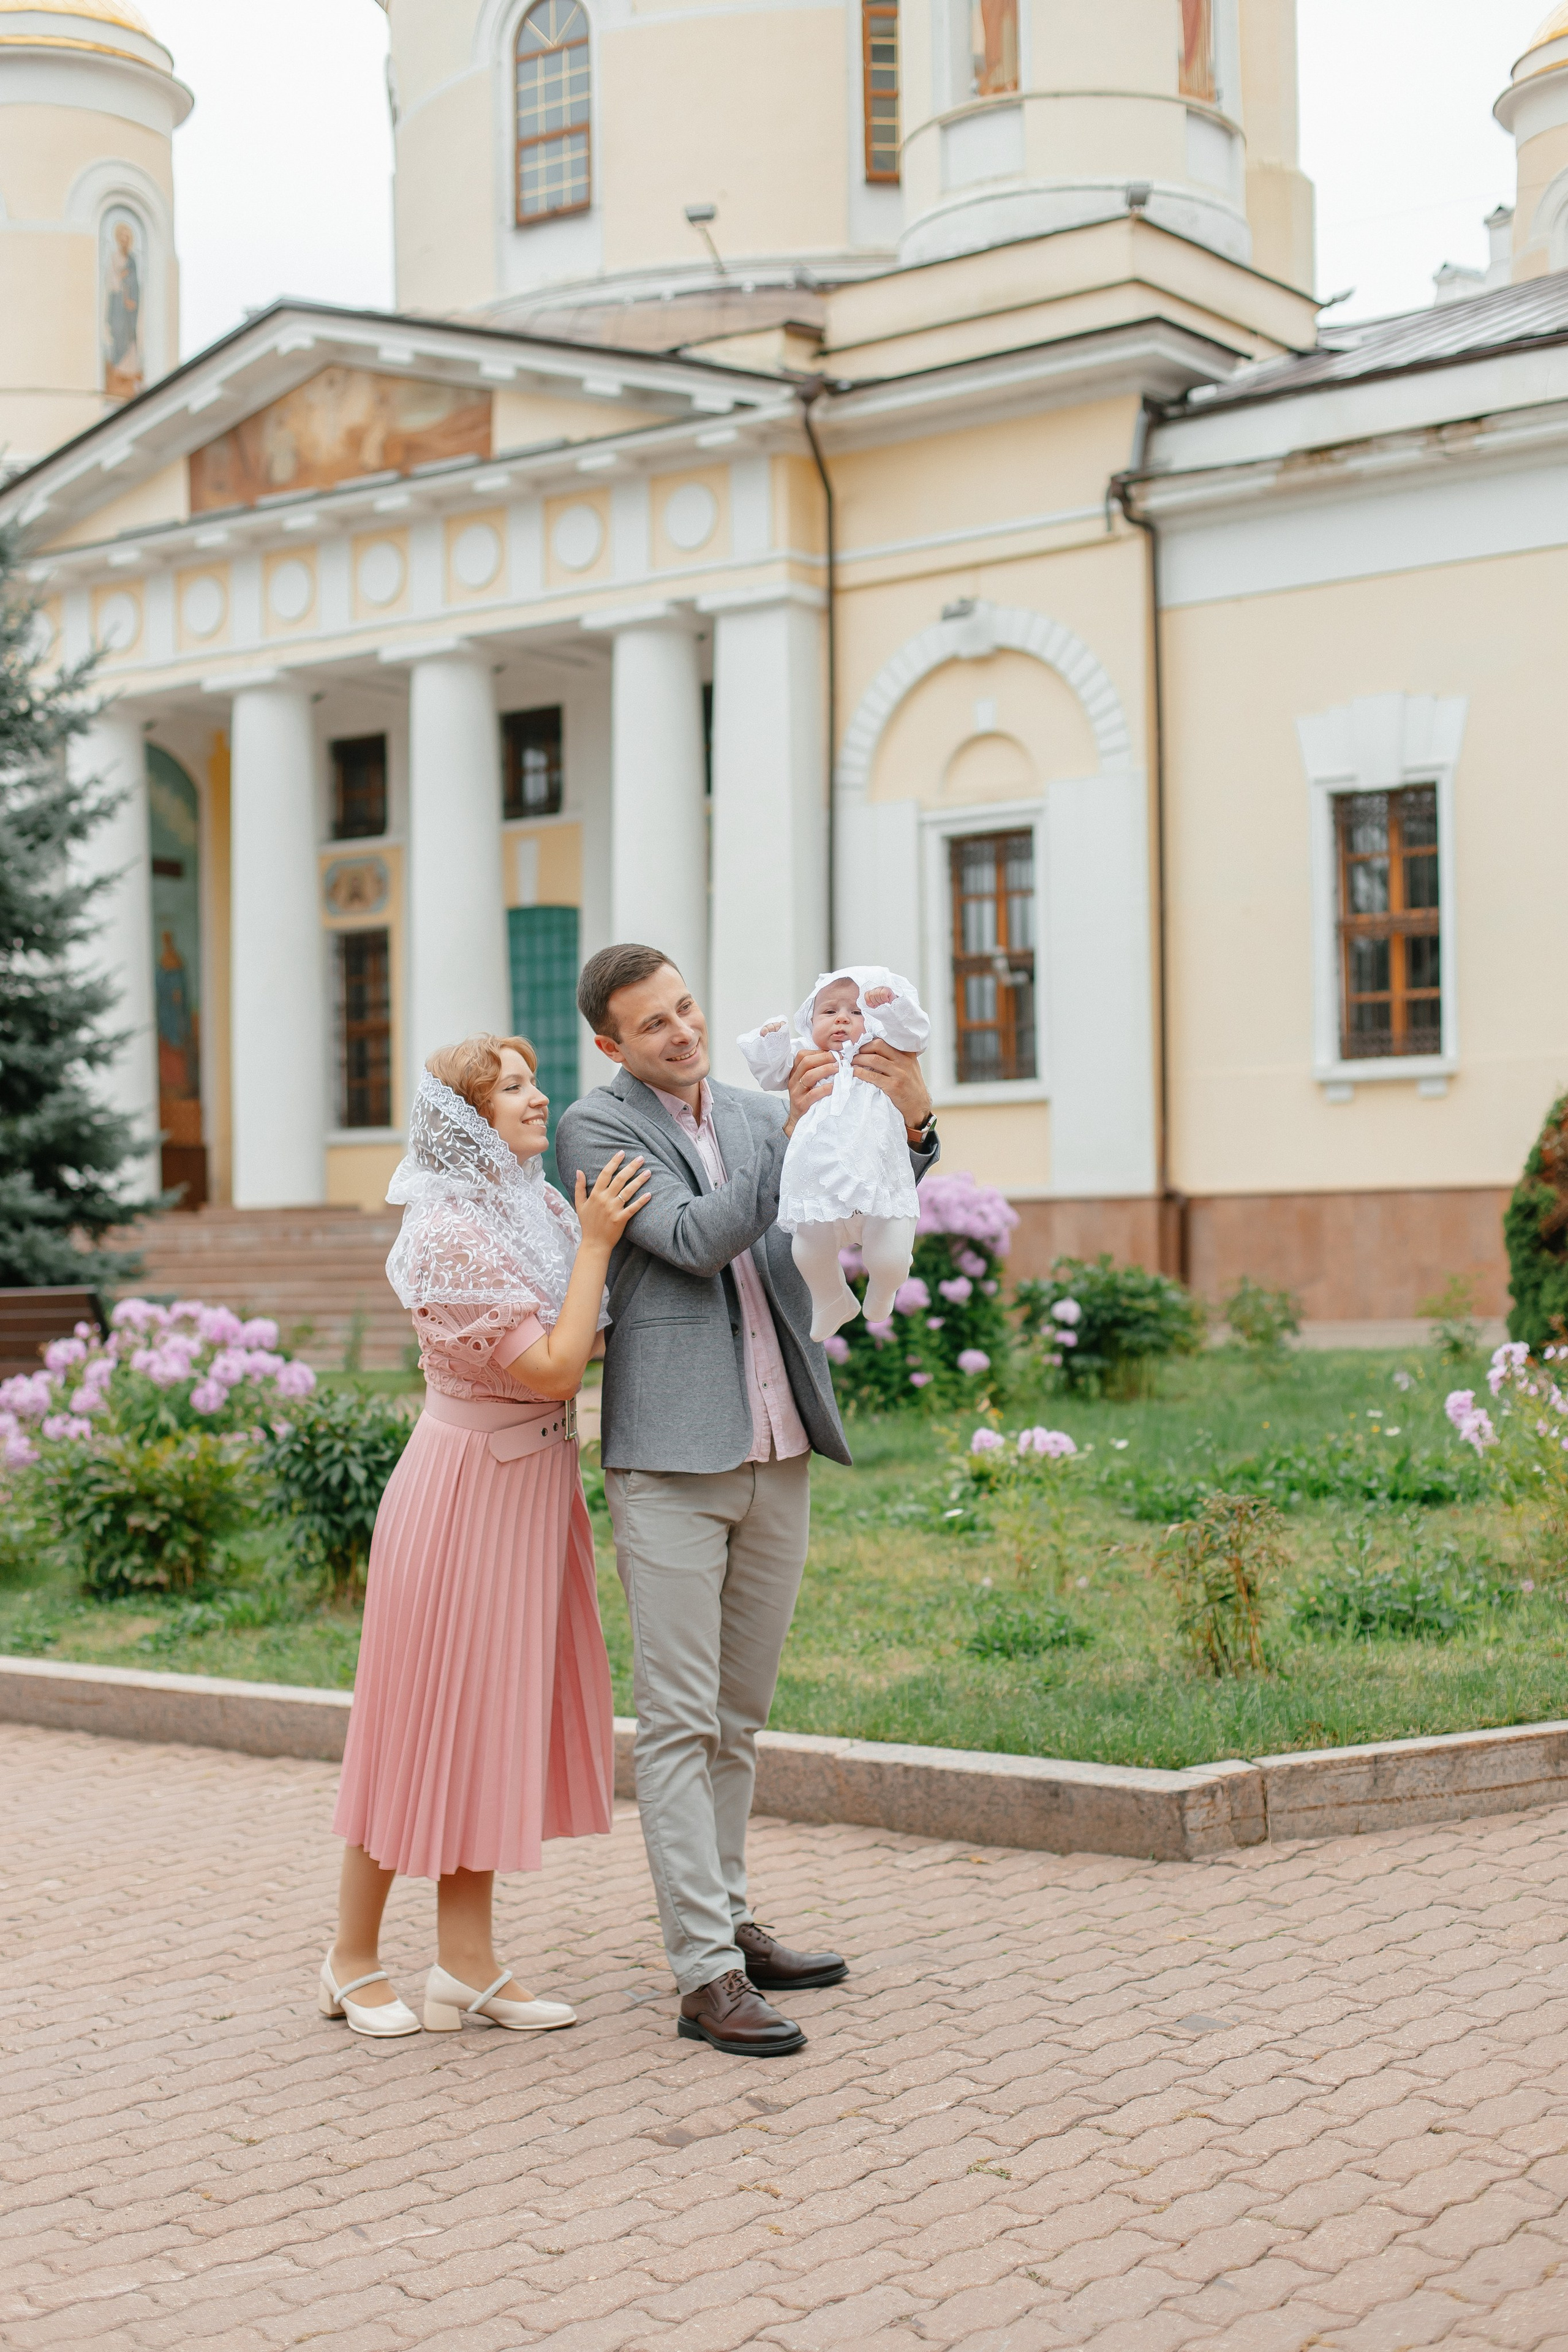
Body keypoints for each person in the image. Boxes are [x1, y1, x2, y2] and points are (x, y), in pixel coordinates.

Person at [554, 945, 937, 2058]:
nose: (682, 1032)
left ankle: (729, 1920)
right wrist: (788, 1142)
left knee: (740, 1715)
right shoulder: (597, 1131)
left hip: (778, 1443)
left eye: (687, 1009)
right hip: (672, 1459)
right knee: (678, 1720)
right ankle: (704, 1973)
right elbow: (688, 1237)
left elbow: (853, 1178)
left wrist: (906, 1124)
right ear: (611, 1044)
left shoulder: (760, 1104)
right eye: (653, 1024)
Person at [322, 1034, 647, 2039]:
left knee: (491, 1725)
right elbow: (554, 1367)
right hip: (461, 1495)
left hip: (534, 1490)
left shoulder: (535, 1208)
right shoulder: (448, 1235)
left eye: (534, 1080)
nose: (538, 1098)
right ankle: (349, 1960)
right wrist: (598, 1246)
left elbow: (584, 1341)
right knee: (415, 1723)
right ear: (466, 1117)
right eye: (512, 1088)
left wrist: (592, 1247)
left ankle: (466, 1964)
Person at [738, 965, 931, 1341]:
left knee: (888, 1258)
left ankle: (885, 1286)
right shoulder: (808, 1056)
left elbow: (915, 1033)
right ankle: (832, 1300)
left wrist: (891, 1006)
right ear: (810, 1021)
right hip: (818, 1185)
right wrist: (772, 1041)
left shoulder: (886, 1054)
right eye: (828, 1011)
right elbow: (769, 1072)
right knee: (808, 1253)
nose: (842, 1018)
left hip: (878, 1181)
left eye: (857, 1011)